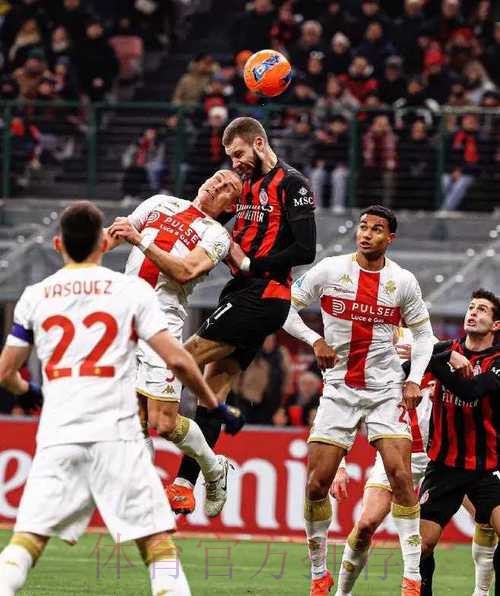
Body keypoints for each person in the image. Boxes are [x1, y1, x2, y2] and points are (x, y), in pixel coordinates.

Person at [0, 201, 235, 595]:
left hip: (60, 433)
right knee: (158, 548)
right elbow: (179, 359)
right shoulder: (130, 291)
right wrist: (217, 405)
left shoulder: (35, 296)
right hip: (117, 436)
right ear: (102, 243)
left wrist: (29, 392)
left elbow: (6, 373)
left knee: (24, 545)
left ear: (58, 244)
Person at [163, 116, 317, 515]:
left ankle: (139, 419)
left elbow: (306, 249)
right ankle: (191, 481)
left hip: (264, 293)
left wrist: (252, 264)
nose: (235, 163)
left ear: (259, 143)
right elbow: (214, 223)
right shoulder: (243, 184)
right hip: (241, 291)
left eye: (239, 154)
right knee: (213, 389)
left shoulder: (293, 185)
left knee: (182, 358)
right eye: (231, 157)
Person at [282, 205, 434, 595]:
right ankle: (319, 574)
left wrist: (414, 379)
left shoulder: (402, 281)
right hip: (339, 389)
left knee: (401, 476)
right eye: (363, 227)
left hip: (385, 390)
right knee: (316, 484)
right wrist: (315, 340)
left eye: (376, 229)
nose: (366, 234)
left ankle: (412, 577)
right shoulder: (330, 270)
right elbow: (285, 308)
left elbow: (424, 336)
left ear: (390, 238)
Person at [106, 169, 244, 517]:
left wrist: (140, 240)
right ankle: (143, 503)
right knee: (134, 419)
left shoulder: (216, 235)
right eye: (217, 177)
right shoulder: (159, 202)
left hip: (161, 325)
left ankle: (214, 468)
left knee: (165, 423)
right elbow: (114, 236)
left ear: (232, 206)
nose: (217, 183)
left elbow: (185, 271)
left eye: (228, 187)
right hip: (125, 321)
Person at [331, 328, 496, 596]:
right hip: (394, 453)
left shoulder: (424, 341)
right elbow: (346, 407)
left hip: (438, 456)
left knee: (486, 520)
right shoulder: (365, 351)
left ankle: (481, 592)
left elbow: (465, 386)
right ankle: (342, 593)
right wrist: (339, 465)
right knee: (366, 525)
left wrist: (445, 355)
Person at [418, 289, 500, 596]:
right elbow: (405, 367)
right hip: (443, 466)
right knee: (423, 545)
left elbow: (471, 391)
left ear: (496, 325)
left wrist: (436, 362)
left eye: (482, 309)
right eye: (471, 307)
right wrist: (439, 355)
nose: (473, 312)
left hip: (486, 467)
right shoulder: (447, 349)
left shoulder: (497, 361)